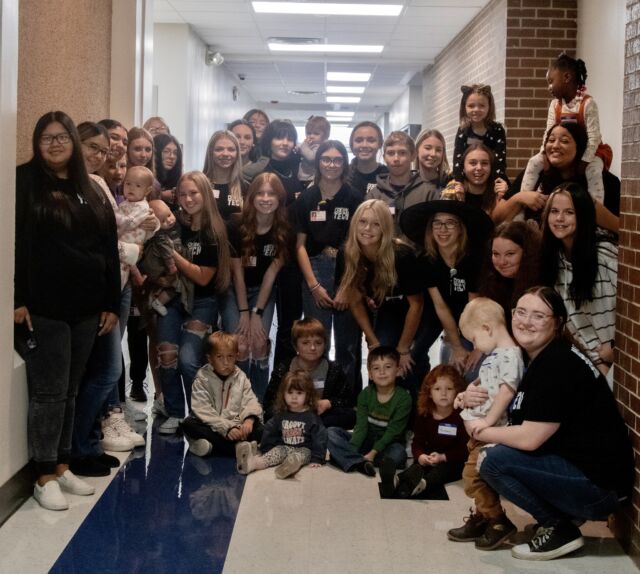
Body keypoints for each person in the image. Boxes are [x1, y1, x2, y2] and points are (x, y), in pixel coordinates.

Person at [471, 287, 634, 561]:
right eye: (521, 312)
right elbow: (496, 390)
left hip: (599, 488)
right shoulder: (536, 356)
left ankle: (559, 528)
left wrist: (482, 429)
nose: (525, 321)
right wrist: (470, 393)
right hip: (586, 475)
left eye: (538, 316)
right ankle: (562, 516)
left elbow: (530, 438)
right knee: (498, 447)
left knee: (490, 459)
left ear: (557, 323)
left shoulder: (558, 365)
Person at [14, 111, 120, 509]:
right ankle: (43, 475)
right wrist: (15, 299)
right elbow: (14, 243)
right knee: (49, 392)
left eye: (62, 137)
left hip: (87, 309)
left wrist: (110, 302)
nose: (55, 144)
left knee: (71, 391)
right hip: (42, 308)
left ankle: (60, 465)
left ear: (74, 142)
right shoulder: (23, 182)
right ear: (36, 142)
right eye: (47, 137)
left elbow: (108, 249)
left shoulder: (88, 187)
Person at [155, 171, 231, 434]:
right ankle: (175, 412)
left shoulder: (214, 231)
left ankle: (198, 415)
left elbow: (202, 276)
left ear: (206, 194)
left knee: (188, 360)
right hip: (173, 300)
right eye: (183, 194)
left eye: (194, 193)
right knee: (167, 355)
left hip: (203, 302)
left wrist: (172, 254)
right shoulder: (175, 224)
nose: (188, 199)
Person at [447, 297, 523, 550]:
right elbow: (485, 380)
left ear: (487, 329)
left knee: (473, 476)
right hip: (480, 431)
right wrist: (469, 389)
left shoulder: (510, 355)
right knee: (477, 476)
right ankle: (482, 516)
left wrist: (489, 421)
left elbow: (507, 390)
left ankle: (498, 520)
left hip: (492, 431)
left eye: (475, 339)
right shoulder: (497, 355)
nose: (475, 345)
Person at [399, 200, 494, 376]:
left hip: (471, 316)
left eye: (450, 223)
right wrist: (455, 346)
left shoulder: (474, 259)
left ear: (460, 229)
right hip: (437, 315)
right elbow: (440, 306)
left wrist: (471, 346)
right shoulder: (426, 261)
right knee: (412, 355)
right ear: (430, 228)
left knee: (468, 366)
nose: (443, 229)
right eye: (437, 223)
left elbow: (473, 306)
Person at [337, 200, 424, 385]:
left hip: (416, 312)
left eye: (376, 224)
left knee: (410, 363)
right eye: (362, 222)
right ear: (354, 223)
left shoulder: (402, 255)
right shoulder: (347, 253)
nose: (367, 228)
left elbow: (417, 305)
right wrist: (372, 342)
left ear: (385, 228)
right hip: (388, 309)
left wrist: (403, 348)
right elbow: (355, 301)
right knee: (382, 358)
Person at [219, 172, 289, 400]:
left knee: (259, 344)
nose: (266, 198)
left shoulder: (283, 229)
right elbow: (237, 272)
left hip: (262, 291)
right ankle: (237, 400)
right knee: (240, 345)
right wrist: (243, 312)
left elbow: (271, 272)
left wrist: (256, 312)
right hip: (234, 290)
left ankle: (258, 403)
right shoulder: (235, 224)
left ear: (280, 198)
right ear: (251, 197)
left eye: (272, 194)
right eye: (260, 193)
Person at [296, 140, 361, 380]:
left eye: (337, 160)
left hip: (348, 270)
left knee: (347, 346)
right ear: (318, 162)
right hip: (315, 270)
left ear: (344, 163)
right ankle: (315, 398)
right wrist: (313, 285)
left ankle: (347, 405)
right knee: (315, 343)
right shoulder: (306, 197)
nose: (331, 165)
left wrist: (347, 287)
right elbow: (299, 246)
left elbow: (359, 244)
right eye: (326, 159)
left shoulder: (354, 196)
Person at [242, 119, 304, 364]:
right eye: (279, 137)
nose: (285, 143)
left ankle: (280, 381)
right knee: (257, 330)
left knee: (289, 324)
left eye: (289, 138)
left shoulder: (300, 167)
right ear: (268, 141)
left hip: (288, 254)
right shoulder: (259, 170)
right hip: (260, 256)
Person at [540, 182, 617, 376]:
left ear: (583, 216)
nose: (559, 218)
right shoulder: (553, 258)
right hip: (586, 358)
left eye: (569, 212)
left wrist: (617, 349)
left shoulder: (604, 254)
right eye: (554, 211)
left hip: (616, 359)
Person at [495, 122, 620, 232]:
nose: (555, 146)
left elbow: (624, 229)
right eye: (551, 140)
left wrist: (589, 209)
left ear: (581, 147)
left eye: (564, 141)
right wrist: (519, 198)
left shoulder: (604, 181)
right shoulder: (534, 175)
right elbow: (495, 219)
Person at [522, 53, 608, 204]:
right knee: (534, 162)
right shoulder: (555, 105)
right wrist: (544, 155)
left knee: (593, 171)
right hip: (562, 151)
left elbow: (594, 138)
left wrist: (583, 162)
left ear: (566, 78)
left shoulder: (588, 103)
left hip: (590, 152)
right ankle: (524, 203)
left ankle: (595, 211)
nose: (549, 87)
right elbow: (547, 133)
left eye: (550, 82)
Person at [326, 347, 411, 477]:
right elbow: (361, 426)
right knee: (331, 433)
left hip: (387, 444)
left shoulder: (404, 398)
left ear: (398, 370)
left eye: (388, 367)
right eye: (376, 368)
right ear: (370, 374)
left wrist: (373, 453)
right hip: (365, 441)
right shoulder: (365, 394)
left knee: (399, 455)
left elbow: (393, 432)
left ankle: (350, 459)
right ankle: (359, 461)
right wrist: (353, 448)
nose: (382, 372)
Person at [386, 364, 468, 499]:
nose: (443, 393)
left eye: (449, 388)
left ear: (457, 391)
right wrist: (420, 456)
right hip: (429, 457)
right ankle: (398, 479)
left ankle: (424, 484)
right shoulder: (425, 414)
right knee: (417, 467)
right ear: (429, 392)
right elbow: (417, 442)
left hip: (453, 461)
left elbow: (465, 450)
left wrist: (443, 457)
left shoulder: (462, 416)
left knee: (442, 471)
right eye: (437, 389)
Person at [181, 331, 264, 457]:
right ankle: (235, 448)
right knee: (189, 424)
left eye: (230, 356)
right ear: (210, 359)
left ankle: (211, 446)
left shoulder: (240, 377)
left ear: (236, 356)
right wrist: (227, 428)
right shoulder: (202, 379)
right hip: (214, 426)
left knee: (262, 429)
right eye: (220, 357)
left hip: (237, 424)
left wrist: (248, 421)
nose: (226, 362)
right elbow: (203, 410)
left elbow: (250, 400)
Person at [263, 318, 356, 429]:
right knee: (270, 417)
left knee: (351, 416)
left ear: (325, 344)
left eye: (318, 343)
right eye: (305, 343)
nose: (312, 348)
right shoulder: (284, 368)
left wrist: (329, 402)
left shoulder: (333, 369)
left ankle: (309, 427)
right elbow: (269, 403)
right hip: (290, 416)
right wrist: (290, 407)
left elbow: (348, 400)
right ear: (295, 345)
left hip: (321, 417)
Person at [236, 370, 327, 479]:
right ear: (283, 394)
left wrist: (317, 458)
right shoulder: (281, 415)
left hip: (304, 449)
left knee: (299, 456)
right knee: (272, 455)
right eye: (290, 393)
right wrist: (266, 450)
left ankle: (288, 467)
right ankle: (253, 463)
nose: (294, 397)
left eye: (299, 393)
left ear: (308, 395)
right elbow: (270, 430)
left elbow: (320, 437)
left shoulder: (311, 417)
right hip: (284, 447)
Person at [366, 130, 440, 239]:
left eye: (402, 153)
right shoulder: (374, 196)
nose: (396, 159)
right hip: (382, 255)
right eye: (390, 153)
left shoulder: (429, 193)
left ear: (413, 155)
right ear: (384, 157)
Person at [478, 220, 542, 329]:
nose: (502, 262)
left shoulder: (541, 283)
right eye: (496, 254)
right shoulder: (491, 280)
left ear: (527, 252)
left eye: (510, 254)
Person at [140, 199, 192, 317]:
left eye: (169, 215)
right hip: (165, 267)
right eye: (163, 221)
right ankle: (157, 303)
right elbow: (167, 254)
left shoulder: (175, 224)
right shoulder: (160, 236)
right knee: (175, 286)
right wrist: (172, 268)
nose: (169, 220)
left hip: (167, 267)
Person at [452, 84, 508, 182]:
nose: (476, 110)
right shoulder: (463, 130)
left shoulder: (497, 130)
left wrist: (498, 181)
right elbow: (458, 160)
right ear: (464, 107)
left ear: (489, 107)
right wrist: (459, 181)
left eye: (481, 106)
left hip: (492, 178)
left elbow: (500, 160)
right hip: (468, 180)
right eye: (471, 106)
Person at [116, 166, 156, 288]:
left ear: (147, 191)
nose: (131, 188)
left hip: (131, 245)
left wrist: (113, 216)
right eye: (128, 184)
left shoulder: (142, 207)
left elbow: (130, 223)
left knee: (122, 274)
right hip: (124, 246)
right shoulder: (125, 203)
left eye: (138, 186)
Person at [444, 144, 508, 218]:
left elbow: (502, 226)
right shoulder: (453, 190)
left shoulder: (499, 191)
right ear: (463, 168)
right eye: (473, 163)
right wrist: (460, 202)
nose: (479, 168)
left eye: (484, 163)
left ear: (491, 167)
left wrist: (503, 199)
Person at [203, 130, 245, 220]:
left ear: (237, 153)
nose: (225, 154)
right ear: (210, 152)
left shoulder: (245, 187)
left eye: (231, 149)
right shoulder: (199, 184)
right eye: (219, 149)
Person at [346, 121, 388, 199]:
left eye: (371, 140)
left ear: (380, 144)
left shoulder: (389, 176)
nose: (364, 145)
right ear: (352, 145)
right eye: (359, 140)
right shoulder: (343, 175)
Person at [298, 115, 330, 184]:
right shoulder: (308, 145)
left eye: (316, 133)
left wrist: (303, 146)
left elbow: (311, 157)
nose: (311, 136)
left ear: (325, 136)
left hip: (312, 180)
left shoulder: (321, 147)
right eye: (308, 133)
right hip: (303, 178)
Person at [153, 133, 183, 207]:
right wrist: (161, 195)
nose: (172, 156)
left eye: (175, 153)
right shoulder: (147, 176)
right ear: (156, 152)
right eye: (166, 151)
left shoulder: (179, 178)